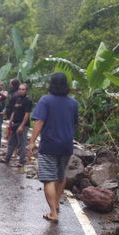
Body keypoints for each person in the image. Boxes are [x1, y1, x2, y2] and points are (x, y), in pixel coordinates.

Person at [27, 73, 79, 223]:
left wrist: (32, 142)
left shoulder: (45, 100)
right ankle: (56, 203)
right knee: (60, 176)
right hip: (66, 145)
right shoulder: (73, 103)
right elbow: (75, 123)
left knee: (48, 178)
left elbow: (39, 122)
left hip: (49, 144)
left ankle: (53, 213)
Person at [0, 84, 32, 166]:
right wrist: (10, 122)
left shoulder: (28, 101)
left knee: (21, 143)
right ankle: (7, 158)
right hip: (15, 123)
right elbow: (14, 111)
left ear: (26, 90)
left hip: (22, 125)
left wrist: (22, 126)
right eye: (20, 89)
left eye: (23, 89)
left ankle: (21, 161)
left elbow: (27, 114)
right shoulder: (18, 99)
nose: (21, 90)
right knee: (11, 142)